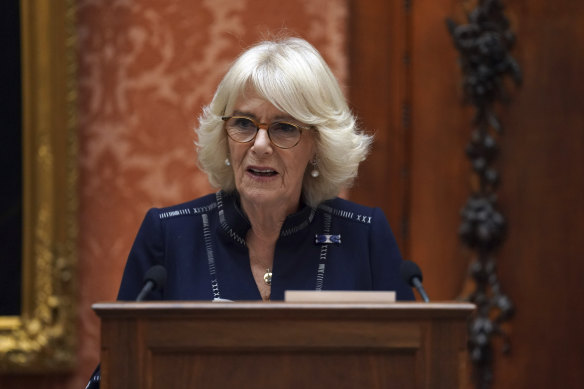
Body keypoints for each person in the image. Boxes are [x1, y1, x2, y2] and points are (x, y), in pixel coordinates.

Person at [86, 36, 413, 387]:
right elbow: (116, 371)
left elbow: (410, 371)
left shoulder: (363, 236)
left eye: (284, 128)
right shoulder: (168, 237)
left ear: (318, 144)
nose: (259, 146)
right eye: (243, 123)